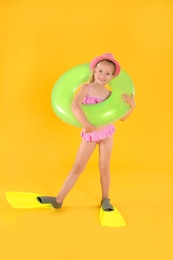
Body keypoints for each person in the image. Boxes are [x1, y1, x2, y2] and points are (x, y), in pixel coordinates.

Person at [37, 53, 135, 211]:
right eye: (101, 71)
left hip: (107, 134)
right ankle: (58, 199)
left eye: (107, 73)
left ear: (112, 77)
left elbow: (121, 118)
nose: (103, 75)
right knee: (77, 167)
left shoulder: (110, 95)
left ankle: (105, 199)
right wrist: (86, 125)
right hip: (90, 134)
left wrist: (132, 106)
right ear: (94, 71)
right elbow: (74, 106)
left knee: (104, 168)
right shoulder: (86, 88)